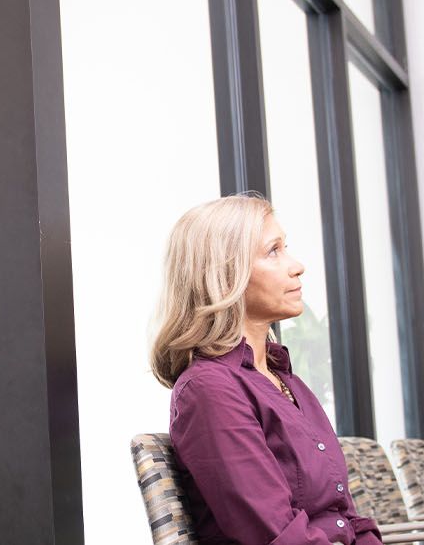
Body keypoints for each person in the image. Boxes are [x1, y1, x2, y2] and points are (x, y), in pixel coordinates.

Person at [151, 195, 382, 545]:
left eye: (285, 247)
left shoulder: (286, 382)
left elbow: (346, 516)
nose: (297, 265)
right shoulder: (209, 390)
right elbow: (279, 537)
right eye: (273, 251)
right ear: (225, 276)